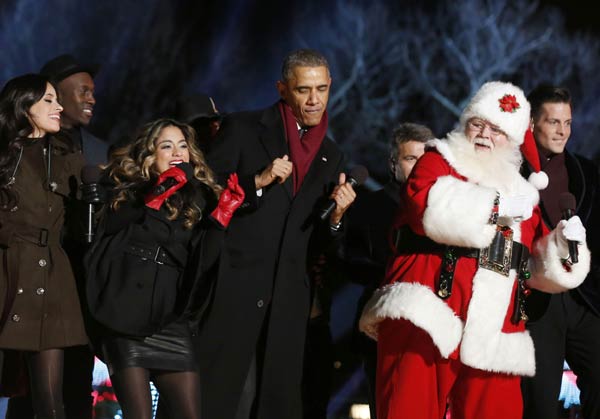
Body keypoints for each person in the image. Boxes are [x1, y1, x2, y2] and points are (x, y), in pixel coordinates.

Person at [359, 81, 591, 419]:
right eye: (477, 123)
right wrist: (495, 206)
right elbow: (427, 206)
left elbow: (536, 266)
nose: (484, 134)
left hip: (492, 333)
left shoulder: (524, 196)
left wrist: (567, 246)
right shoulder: (439, 160)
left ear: (511, 141)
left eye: (496, 129)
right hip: (427, 316)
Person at [195, 48, 356, 419]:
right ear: (282, 89)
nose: (314, 100)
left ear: (330, 87)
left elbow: (319, 242)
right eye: (303, 90)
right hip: (233, 290)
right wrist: (258, 182)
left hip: (287, 304)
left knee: (272, 404)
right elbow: (205, 193)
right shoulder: (243, 128)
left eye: (321, 89)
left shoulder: (332, 156)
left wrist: (338, 216)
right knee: (223, 400)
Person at [84, 118, 244, 419]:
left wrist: (219, 221)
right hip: (126, 318)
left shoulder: (197, 197)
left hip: (170, 319)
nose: (177, 153)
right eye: (167, 146)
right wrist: (150, 201)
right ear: (149, 154)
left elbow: (202, 263)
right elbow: (107, 241)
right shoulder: (125, 189)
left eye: (183, 145)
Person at [6, 53, 111, 419]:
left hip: (56, 279)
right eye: (48, 100)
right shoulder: (7, 155)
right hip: (10, 275)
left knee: (53, 400)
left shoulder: (73, 159)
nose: (57, 108)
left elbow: (88, 220)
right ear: (24, 106)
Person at [343, 122, 433, 419]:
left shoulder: (446, 212)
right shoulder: (369, 207)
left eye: (425, 159)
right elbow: (350, 263)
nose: (419, 166)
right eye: (410, 159)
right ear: (394, 164)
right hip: (382, 325)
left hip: (433, 329)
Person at [520, 85, 600, 419]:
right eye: (553, 122)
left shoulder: (587, 171)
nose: (562, 130)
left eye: (567, 122)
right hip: (538, 301)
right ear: (531, 122)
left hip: (584, 298)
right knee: (540, 401)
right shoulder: (511, 173)